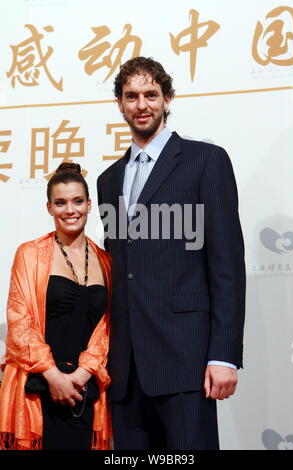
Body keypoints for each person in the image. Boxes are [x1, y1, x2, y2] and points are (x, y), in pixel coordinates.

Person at [97, 57, 246, 450]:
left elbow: (227, 265)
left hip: (186, 359)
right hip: (126, 369)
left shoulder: (205, 161)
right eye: (132, 96)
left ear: (167, 100)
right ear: (120, 104)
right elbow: (123, 268)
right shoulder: (108, 180)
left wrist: (224, 356)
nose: (141, 104)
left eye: (150, 95)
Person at [0, 163, 111, 450]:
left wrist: (80, 375)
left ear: (89, 205)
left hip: (84, 393)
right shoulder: (30, 254)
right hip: (36, 391)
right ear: (49, 208)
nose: (70, 210)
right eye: (60, 203)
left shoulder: (106, 261)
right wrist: (54, 377)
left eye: (77, 201)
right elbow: (19, 322)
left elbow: (108, 329)